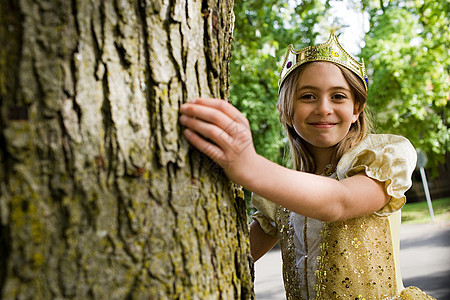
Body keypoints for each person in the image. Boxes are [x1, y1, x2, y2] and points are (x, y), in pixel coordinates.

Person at [179, 33, 435, 299]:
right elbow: (234, 258)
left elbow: (339, 201)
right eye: (308, 96)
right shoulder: (283, 191)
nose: (324, 108)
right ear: (286, 109)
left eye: (338, 96)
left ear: (357, 108)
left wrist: (250, 166)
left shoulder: (381, 158)